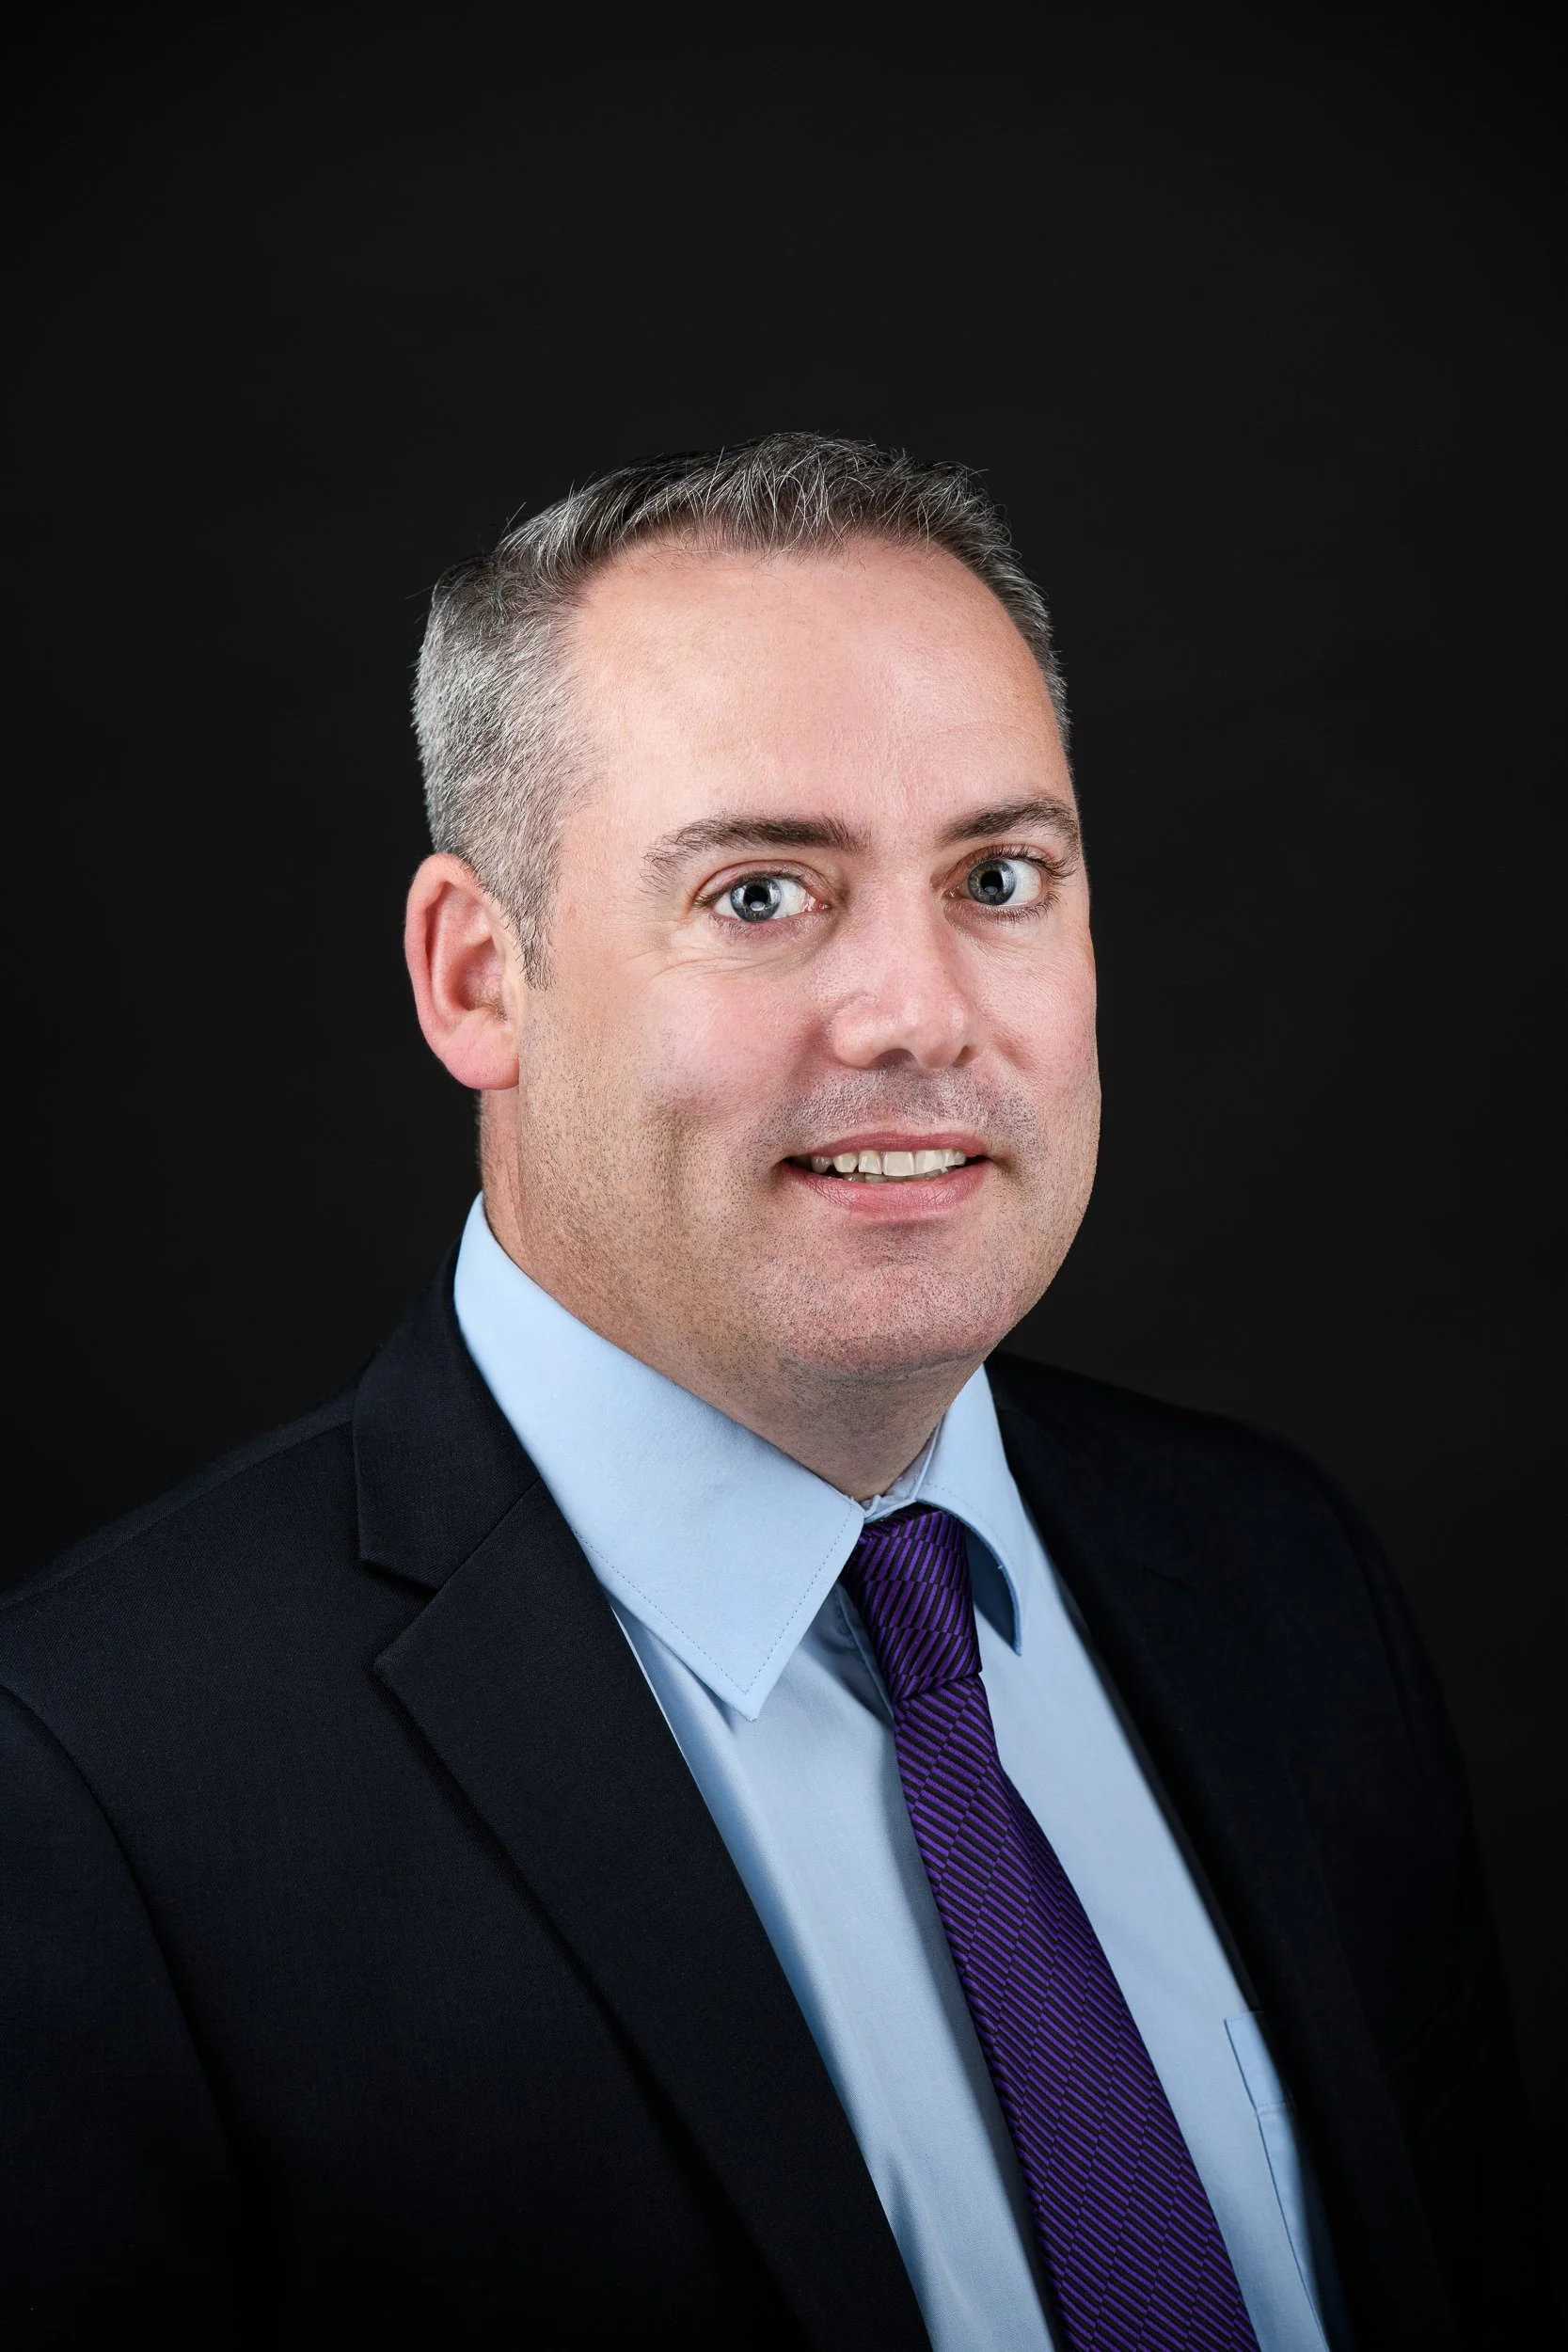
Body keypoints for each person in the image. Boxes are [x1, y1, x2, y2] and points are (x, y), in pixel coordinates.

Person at [0, 436, 1555, 2352]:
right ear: (478, 973)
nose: (916, 1006)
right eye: (759, 893)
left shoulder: (1280, 1578)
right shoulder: (83, 1784)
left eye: (998, 874)